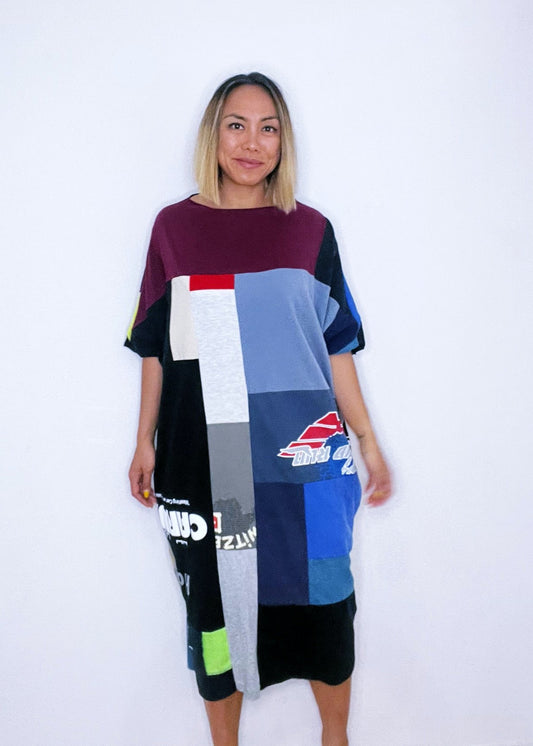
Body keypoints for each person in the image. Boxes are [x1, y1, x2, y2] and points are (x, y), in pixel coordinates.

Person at [126, 72, 392, 746]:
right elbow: (155, 345)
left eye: (268, 127)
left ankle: (336, 739)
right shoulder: (173, 228)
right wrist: (143, 440)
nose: (252, 143)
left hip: (302, 453)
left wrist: (367, 440)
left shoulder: (309, 230)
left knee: (323, 600)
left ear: (283, 141)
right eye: (237, 125)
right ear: (213, 135)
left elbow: (336, 345)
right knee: (214, 612)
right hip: (203, 456)